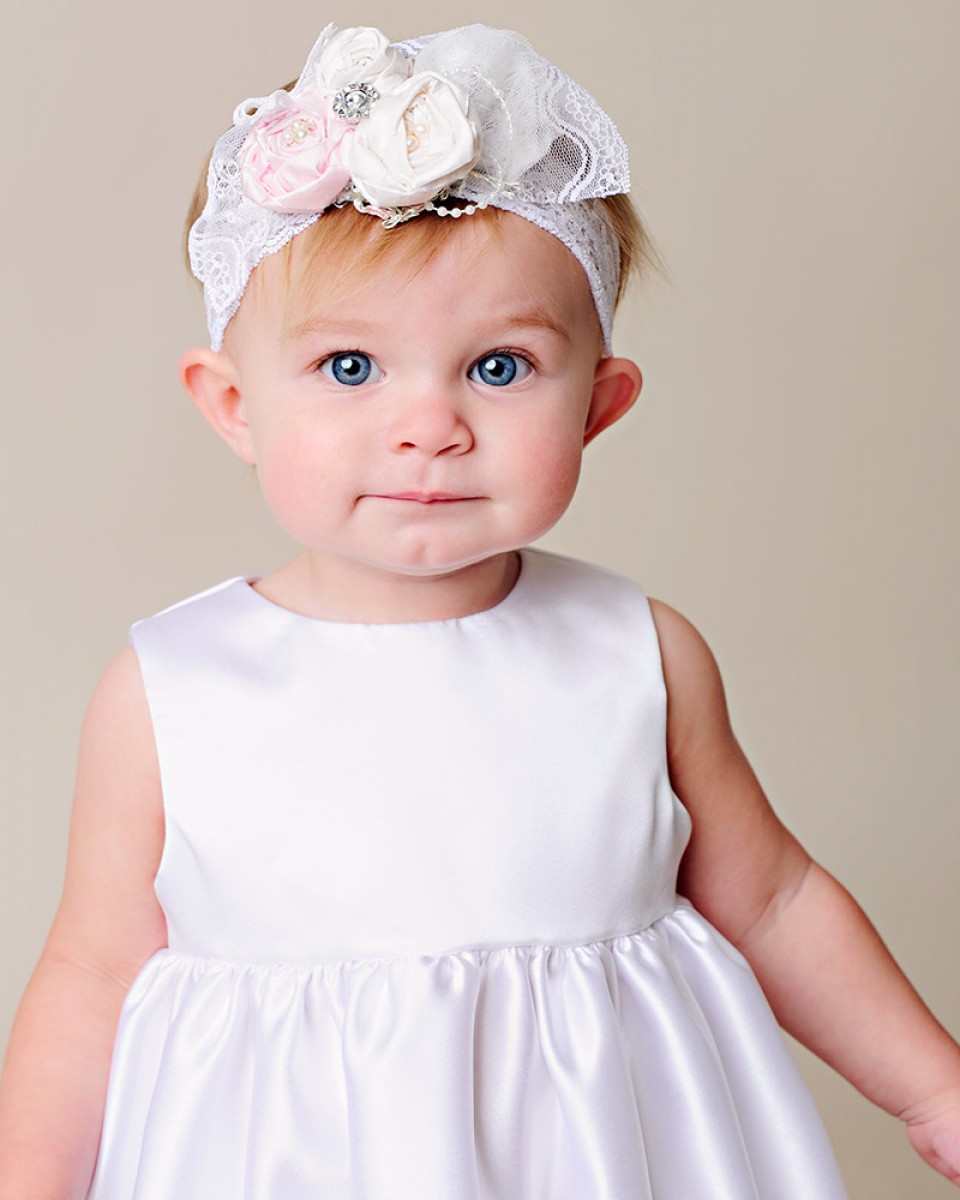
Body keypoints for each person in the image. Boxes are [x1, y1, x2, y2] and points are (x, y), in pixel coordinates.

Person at [0, 21, 958, 1199]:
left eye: (498, 368)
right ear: (233, 405)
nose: (429, 429)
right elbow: (94, 974)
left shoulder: (639, 657)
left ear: (598, 405)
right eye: (350, 368)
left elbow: (773, 900)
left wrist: (933, 1088)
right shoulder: (172, 690)